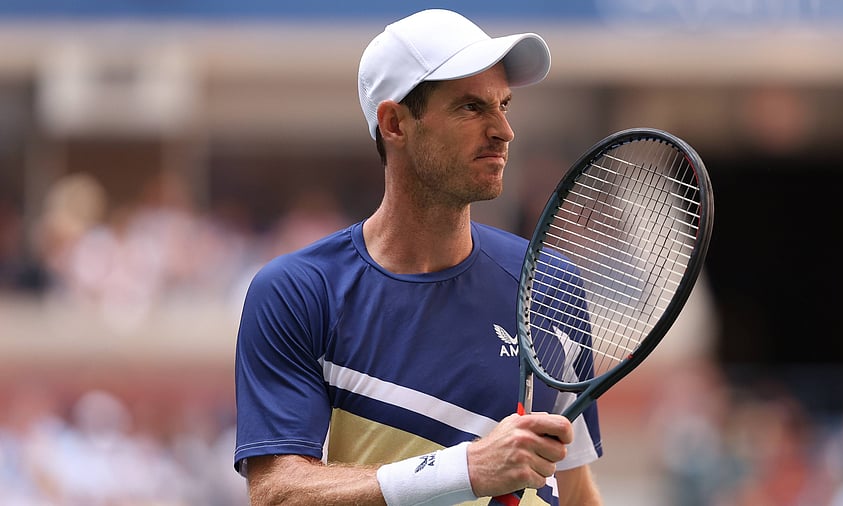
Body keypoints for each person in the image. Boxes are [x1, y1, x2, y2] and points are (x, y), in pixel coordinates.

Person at [233, 9, 604, 506]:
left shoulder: (551, 281)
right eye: (471, 107)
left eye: (504, 105)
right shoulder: (297, 291)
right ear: (395, 124)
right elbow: (277, 493)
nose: (503, 130)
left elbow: (573, 487)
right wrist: (465, 470)